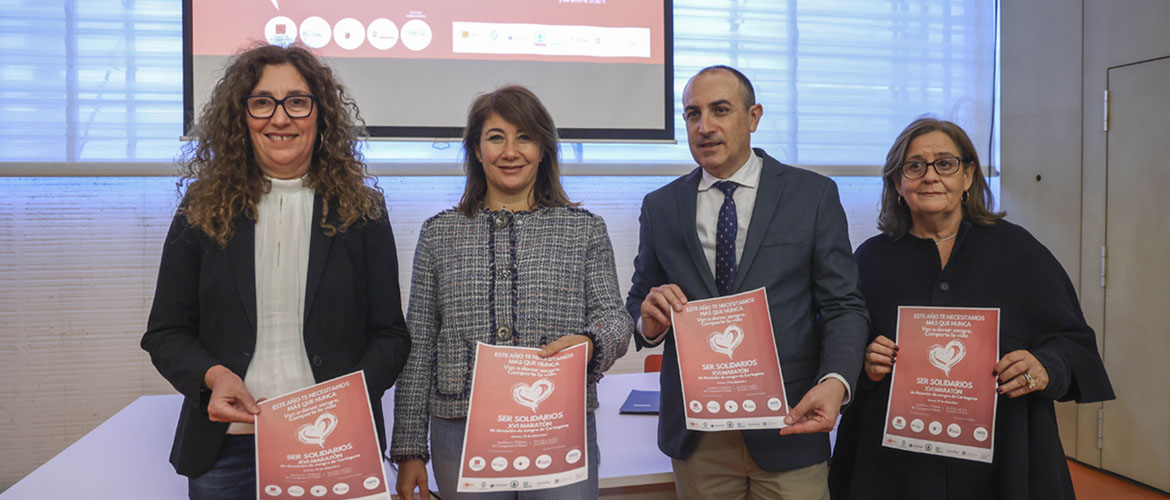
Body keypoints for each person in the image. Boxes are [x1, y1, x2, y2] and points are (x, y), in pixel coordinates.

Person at [140, 44, 411, 499]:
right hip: (226, 452)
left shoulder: (362, 211)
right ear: (241, 117)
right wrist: (214, 377)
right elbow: (166, 333)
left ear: (320, 115)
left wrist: (344, 401)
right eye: (262, 102)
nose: (280, 119)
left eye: (297, 102)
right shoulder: (203, 209)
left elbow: (389, 335)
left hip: (333, 444)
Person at [828, 117, 1115, 499]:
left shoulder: (1019, 252)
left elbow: (1074, 343)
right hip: (894, 465)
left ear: (968, 176)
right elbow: (837, 340)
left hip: (1002, 457)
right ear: (897, 182)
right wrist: (864, 361)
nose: (930, 176)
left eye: (945, 163)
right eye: (914, 166)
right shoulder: (869, 260)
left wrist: (1045, 367)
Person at [625, 65, 869, 499]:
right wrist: (649, 322)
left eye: (721, 110)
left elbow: (843, 305)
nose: (705, 127)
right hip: (699, 435)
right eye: (692, 114)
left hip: (789, 423)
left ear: (753, 117)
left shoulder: (812, 195)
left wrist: (835, 382)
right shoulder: (661, 206)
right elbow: (639, 302)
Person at [390, 85, 633, 500]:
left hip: (557, 422)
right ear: (476, 150)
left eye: (524, 137)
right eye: (496, 137)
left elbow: (615, 319)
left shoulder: (584, 230)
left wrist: (591, 343)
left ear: (543, 149)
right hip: (460, 430)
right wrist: (410, 449)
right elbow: (420, 345)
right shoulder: (438, 233)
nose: (510, 151)